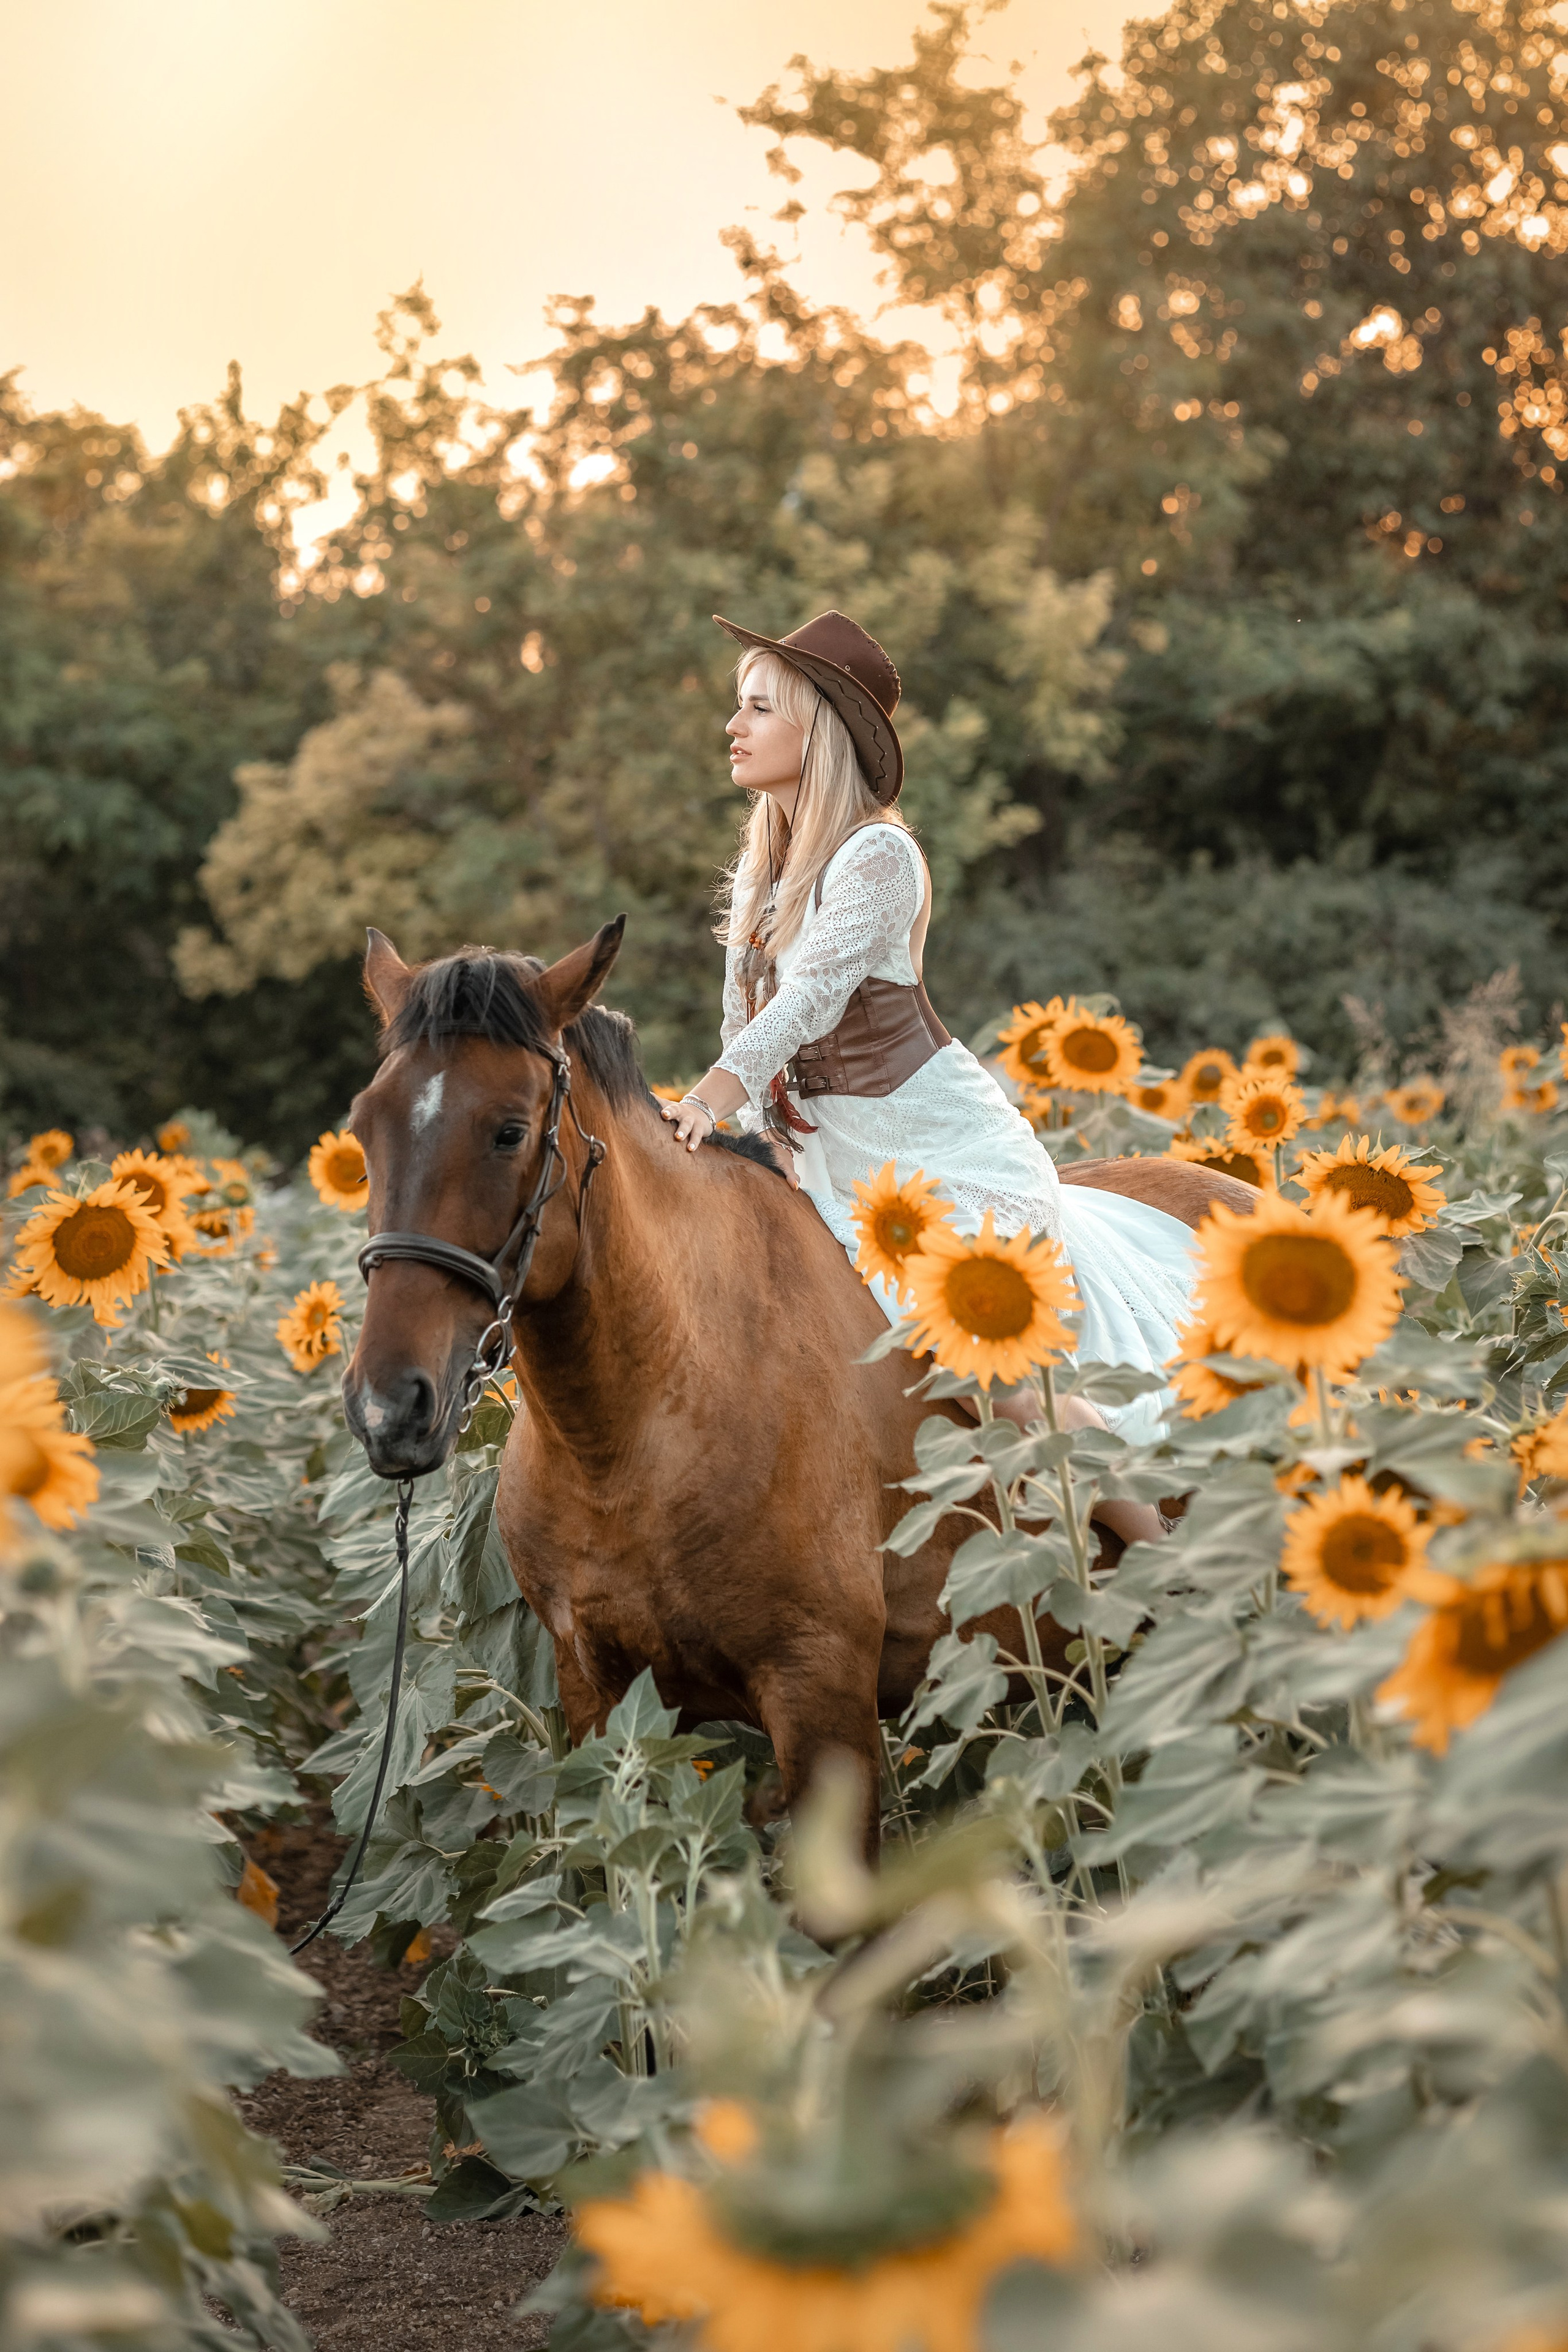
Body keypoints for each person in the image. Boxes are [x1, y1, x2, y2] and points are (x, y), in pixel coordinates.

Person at [660, 610, 1196, 1548]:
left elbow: (810, 1004)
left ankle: (1166, 1564)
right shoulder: (763, 870)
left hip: (933, 1153)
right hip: (833, 1161)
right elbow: (743, 1016)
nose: (732, 729)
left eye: (757, 709)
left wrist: (709, 1101)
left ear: (816, 730)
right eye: (736, 708)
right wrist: (767, 1141)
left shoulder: (877, 855)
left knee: (997, 1360)